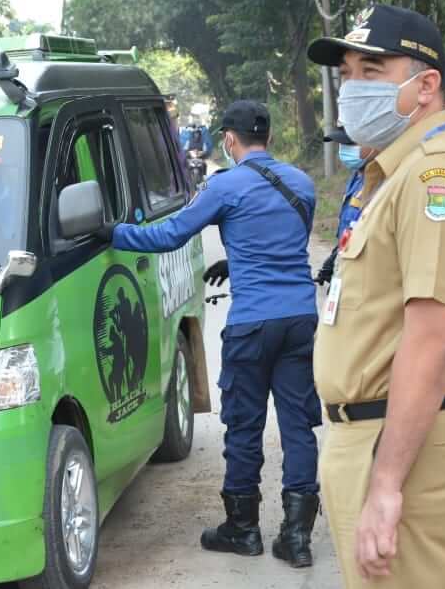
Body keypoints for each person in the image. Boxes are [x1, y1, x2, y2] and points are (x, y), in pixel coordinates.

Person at [307, 4, 445, 587]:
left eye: (372, 71)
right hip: (379, 434)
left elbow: (435, 338)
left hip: (405, 443)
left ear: (427, 86)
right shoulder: (394, 175)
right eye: (347, 72)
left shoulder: (436, 177)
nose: (352, 87)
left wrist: (386, 484)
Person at [104, 100, 322, 568]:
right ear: (269, 136)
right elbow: (283, 242)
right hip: (301, 318)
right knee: (298, 426)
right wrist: (236, 261)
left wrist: (114, 234)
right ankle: (297, 538)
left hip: (252, 324)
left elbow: (169, 236)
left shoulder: (225, 186)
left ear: (228, 139)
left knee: (244, 426)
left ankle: (242, 531)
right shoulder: (301, 183)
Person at [314, 125, 373, 286]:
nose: (344, 150)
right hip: (344, 265)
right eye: (341, 145)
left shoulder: (379, 183)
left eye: (349, 145)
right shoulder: (356, 177)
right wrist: (334, 257)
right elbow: (348, 227)